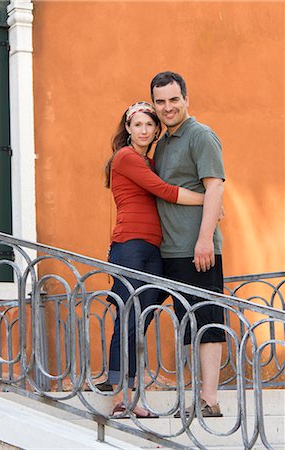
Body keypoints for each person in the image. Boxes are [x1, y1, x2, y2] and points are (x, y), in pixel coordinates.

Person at [103, 101, 205, 418]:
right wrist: (209, 199)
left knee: (141, 320)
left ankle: (130, 394)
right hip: (130, 246)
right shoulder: (126, 157)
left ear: (155, 129)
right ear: (128, 129)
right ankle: (122, 397)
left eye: (150, 125)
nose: (144, 130)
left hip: (152, 249)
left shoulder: (148, 161)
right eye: (138, 125)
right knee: (128, 318)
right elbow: (164, 190)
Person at [150, 71, 225, 418]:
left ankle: (209, 400)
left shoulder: (200, 135)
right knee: (186, 323)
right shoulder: (162, 142)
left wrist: (205, 239)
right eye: (160, 101)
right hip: (169, 250)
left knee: (207, 322)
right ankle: (193, 396)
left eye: (173, 100)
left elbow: (214, 187)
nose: (167, 107)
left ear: (186, 99)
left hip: (198, 249)